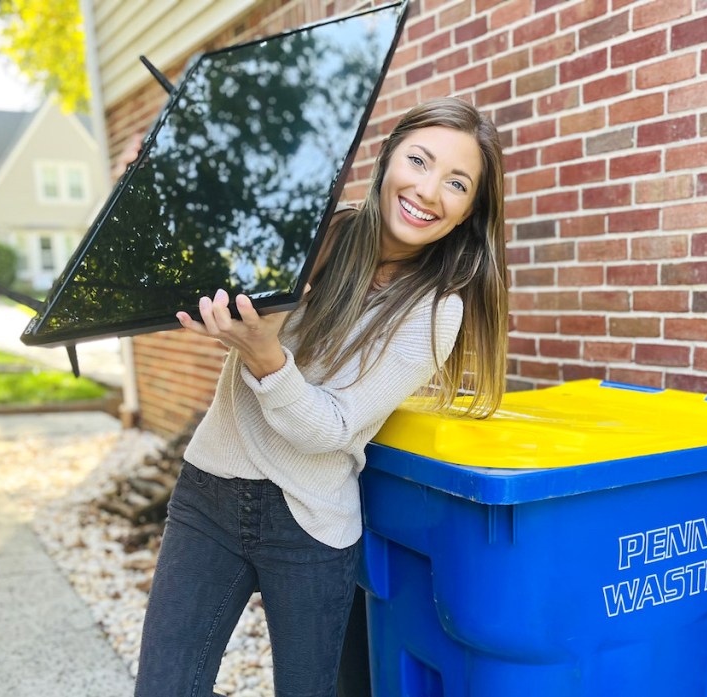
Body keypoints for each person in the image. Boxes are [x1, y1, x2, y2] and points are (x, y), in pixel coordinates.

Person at [133, 96, 509, 697]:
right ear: (388, 161)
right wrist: (159, 187)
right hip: (210, 491)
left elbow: (332, 428)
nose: (429, 190)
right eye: (419, 160)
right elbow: (200, 252)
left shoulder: (437, 310)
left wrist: (264, 354)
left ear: (468, 212)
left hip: (309, 522)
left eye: (457, 183)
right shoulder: (316, 229)